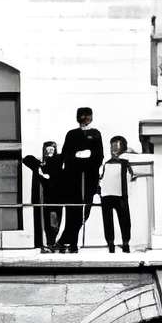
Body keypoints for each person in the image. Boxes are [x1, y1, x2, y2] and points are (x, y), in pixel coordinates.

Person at [58, 106, 104, 253]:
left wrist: (88, 158)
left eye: (87, 115)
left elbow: (99, 156)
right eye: (82, 115)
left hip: (89, 177)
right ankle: (72, 243)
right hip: (74, 178)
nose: (84, 118)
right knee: (73, 210)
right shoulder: (72, 134)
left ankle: (65, 240)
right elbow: (66, 154)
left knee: (85, 211)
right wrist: (77, 156)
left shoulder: (95, 134)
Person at [22, 140, 66, 252]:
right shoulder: (41, 165)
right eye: (48, 150)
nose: (50, 152)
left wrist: (47, 176)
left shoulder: (58, 163)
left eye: (52, 149)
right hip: (46, 200)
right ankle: (50, 243)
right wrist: (39, 165)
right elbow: (26, 159)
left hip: (56, 198)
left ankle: (52, 243)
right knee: (48, 222)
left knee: (55, 222)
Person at [99, 136, 135, 253]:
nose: (113, 149)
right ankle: (111, 243)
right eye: (112, 146)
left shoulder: (126, 163)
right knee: (108, 221)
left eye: (117, 146)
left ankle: (125, 243)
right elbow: (100, 178)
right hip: (107, 195)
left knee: (124, 221)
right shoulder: (106, 164)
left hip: (120, 195)